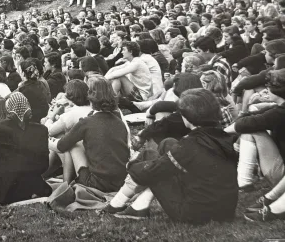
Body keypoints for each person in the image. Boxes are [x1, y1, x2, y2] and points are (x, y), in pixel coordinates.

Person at [105, 89, 238, 223]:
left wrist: (132, 165)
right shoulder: (224, 137)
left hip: (196, 214)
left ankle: (117, 203)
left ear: (187, 117)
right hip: (225, 211)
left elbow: (151, 171)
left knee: (153, 167)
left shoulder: (190, 144)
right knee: (167, 144)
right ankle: (138, 206)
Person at [50, 77, 130, 192]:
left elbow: (60, 146)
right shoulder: (119, 120)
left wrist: (43, 138)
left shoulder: (86, 122)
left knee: (73, 144)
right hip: (120, 182)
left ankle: (65, 183)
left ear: (90, 97)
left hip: (96, 184)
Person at [0, 92, 50, 205]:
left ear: (9, 108)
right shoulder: (42, 130)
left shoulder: (1, 126)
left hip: (6, 188)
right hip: (33, 183)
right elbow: (44, 164)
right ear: (28, 107)